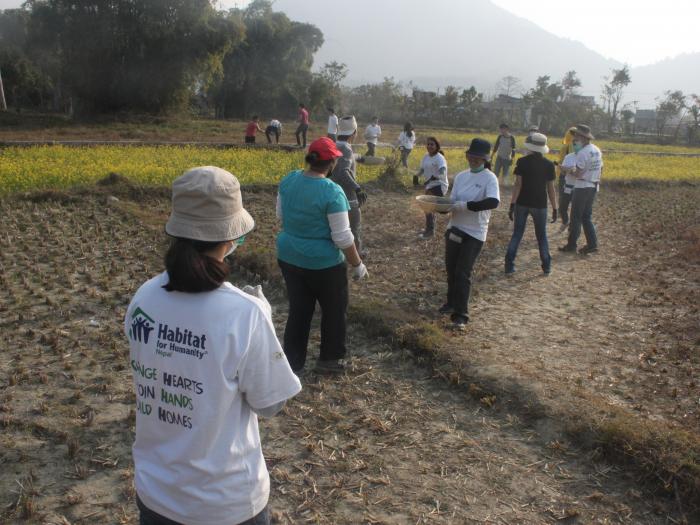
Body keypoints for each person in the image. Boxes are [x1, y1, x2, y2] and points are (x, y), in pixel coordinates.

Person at [125, 166, 301, 525]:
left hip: (157, 496)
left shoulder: (143, 298)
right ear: (231, 237)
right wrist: (264, 317)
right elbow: (270, 404)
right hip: (226, 504)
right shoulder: (244, 313)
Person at [276, 137, 368, 375]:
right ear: (332, 163)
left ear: (310, 158)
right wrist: (357, 264)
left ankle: (292, 362)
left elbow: (280, 216)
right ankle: (329, 360)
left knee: (299, 309)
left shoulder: (289, 180)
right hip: (324, 265)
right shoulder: (332, 192)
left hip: (289, 257)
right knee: (334, 310)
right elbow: (343, 237)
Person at [442, 138, 500, 330]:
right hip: (455, 228)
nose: (474, 160)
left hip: (475, 232)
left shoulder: (490, 178)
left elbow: (493, 202)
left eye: (478, 158)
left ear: (485, 159)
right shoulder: (461, 176)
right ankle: (450, 303)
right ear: (467, 155)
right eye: (471, 156)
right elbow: (453, 201)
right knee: (451, 269)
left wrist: (467, 206)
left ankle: (461, 315)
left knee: (463, 272)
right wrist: (441, 207)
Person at [504, 132, 558, 275]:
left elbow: (518, 185)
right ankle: (546, 266)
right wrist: (555, 208)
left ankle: (509, 265)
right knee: (541, 236)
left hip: (522, 203)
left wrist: (512, 204)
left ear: (530, 146)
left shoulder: (522, 162)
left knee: (517, 234)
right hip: (540, 204)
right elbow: (551, 189)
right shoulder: (549, 165)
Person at [559, 124, 602, 254]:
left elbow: (578, 174)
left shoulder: (583, 153)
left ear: (582, 137)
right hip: (593, 185)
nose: (575, 137)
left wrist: (567, 169)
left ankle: (571, 245)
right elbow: (600, 168)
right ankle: (592, 244)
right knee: (586, 217)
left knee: (576, 217)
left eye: (576, 135)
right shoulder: (596, 149)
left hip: (582, 187)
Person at [330, 116, 368, 257]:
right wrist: (357, 188)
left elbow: (340, 162)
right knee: (354, 227)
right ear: (354, 132)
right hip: (348, 195)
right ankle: (357, 254)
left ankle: (338, 252)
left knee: (336, 228)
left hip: (334, 194)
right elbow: (343, 172)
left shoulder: (334, 144)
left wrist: (358, 157)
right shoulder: (346, 148)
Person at [416, 136, 448, 239]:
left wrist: (435, 177)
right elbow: (422, 169)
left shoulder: (439, 158)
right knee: (429, 208)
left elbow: (442, 171)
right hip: (430, 184)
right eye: (428, 144)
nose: (429, 146)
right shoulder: (426, 156)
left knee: (428, 207)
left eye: (432, 144)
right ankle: (429, 228)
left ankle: (429, 232)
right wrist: (416, 176)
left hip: (439, 185)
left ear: (436, 146)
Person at [557, 127, 577, 231]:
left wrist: (567, 170)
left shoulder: (565, 147)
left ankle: (567, 223)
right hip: (568, 180)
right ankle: (566, 221)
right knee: (566, 203)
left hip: (570, 181)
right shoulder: (568, 151)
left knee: (565, 201)